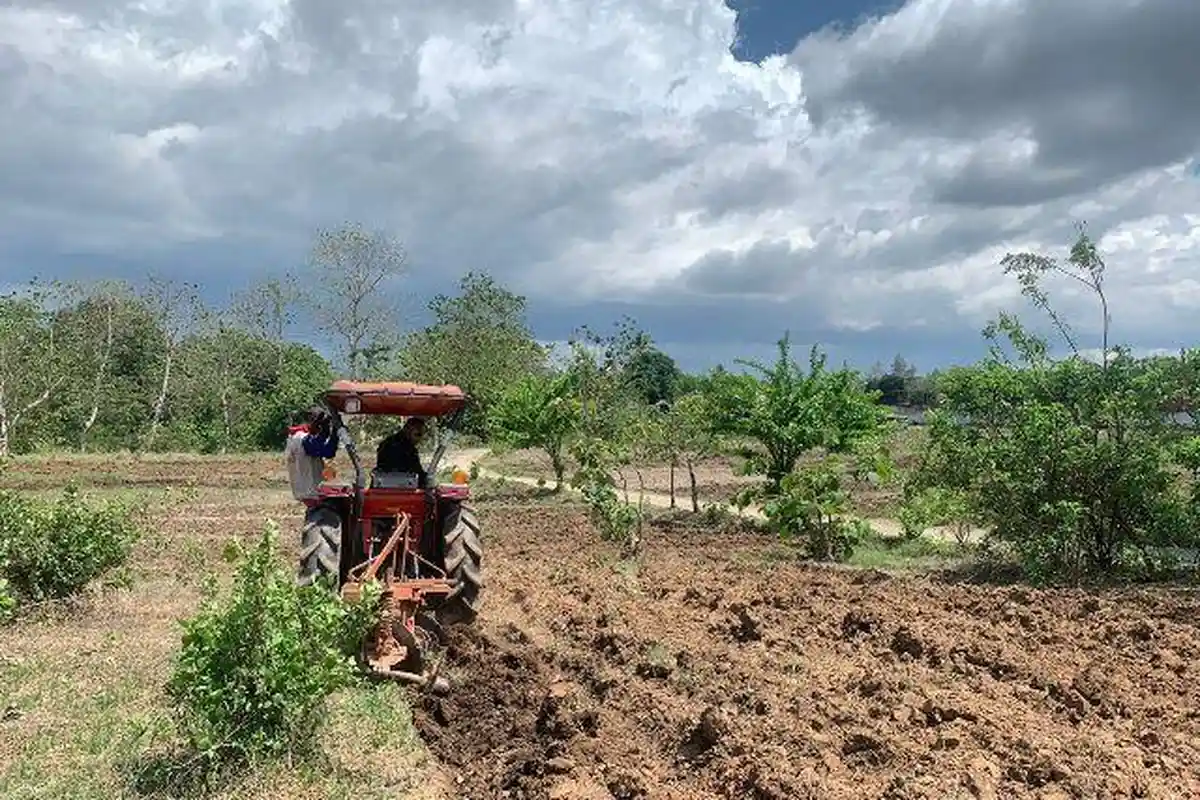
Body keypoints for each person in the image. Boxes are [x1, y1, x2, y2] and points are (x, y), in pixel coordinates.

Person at [284, 405, 339, 501]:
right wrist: (335, 430)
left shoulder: (294, 438)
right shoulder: (303, 440)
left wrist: (324, 430)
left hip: (303, 490)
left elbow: (318, 442)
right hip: (312, 491)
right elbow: (328, 451)